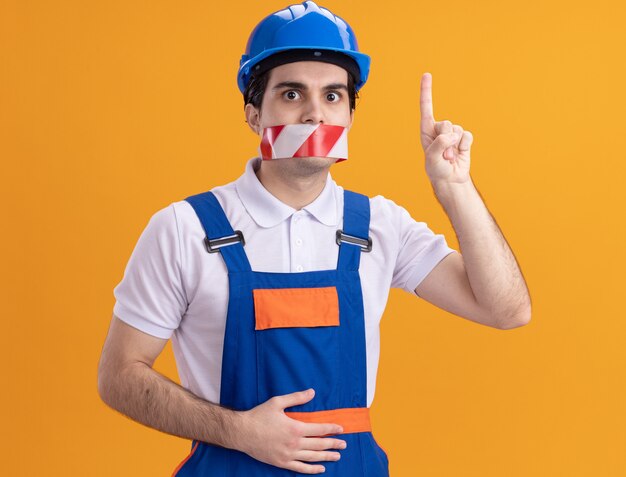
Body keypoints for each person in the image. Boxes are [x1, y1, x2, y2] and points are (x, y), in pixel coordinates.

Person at [97, 1, 532, 475]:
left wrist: (455, 188)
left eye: (332, 96)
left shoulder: (380, 226)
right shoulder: (184, 229)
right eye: (290, 94)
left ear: (348, 116)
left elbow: (506, 310)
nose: (313, 114)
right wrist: (238, 431)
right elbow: (119, 376)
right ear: (252, 114)